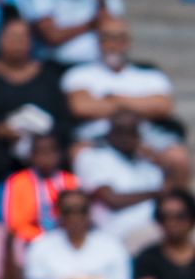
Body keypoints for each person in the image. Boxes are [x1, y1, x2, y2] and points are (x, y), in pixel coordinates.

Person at [0, 13, 66, 176]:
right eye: (12, 37)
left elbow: (64, 120)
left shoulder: (49, 76)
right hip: (0, 146)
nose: (17, 43)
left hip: (43, 144)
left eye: (22, 37)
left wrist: (43, 138)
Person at [75, 105, 184, 252]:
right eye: (121, 131)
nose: (127, 137)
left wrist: (158, 160)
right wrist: (155, 193)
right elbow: (112, 199)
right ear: (111, 131)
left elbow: (168, 191)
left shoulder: (147, 164)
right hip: (117, 235)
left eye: (132, 131)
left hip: (156, 229)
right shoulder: (92, 157)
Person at [60, 17, 174, 132]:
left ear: (128, 42)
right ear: (98, 41)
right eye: (107, 38)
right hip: (97, 137)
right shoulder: (79, 74)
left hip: (143, 135)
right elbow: (81, 107)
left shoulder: (151, 75)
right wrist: (139, 104)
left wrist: (114, 99)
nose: (113, 45)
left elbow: (163, 107)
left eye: (119, 39)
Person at [1, 129, 75, 241]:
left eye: (50, 151)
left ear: (59, 154)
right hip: (29, 242)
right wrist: (41, 239)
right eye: (40, 152)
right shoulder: (17, 182)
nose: (45, 156)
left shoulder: (71, 181)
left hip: (65, 240)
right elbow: (14, 224)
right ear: (31, 156)